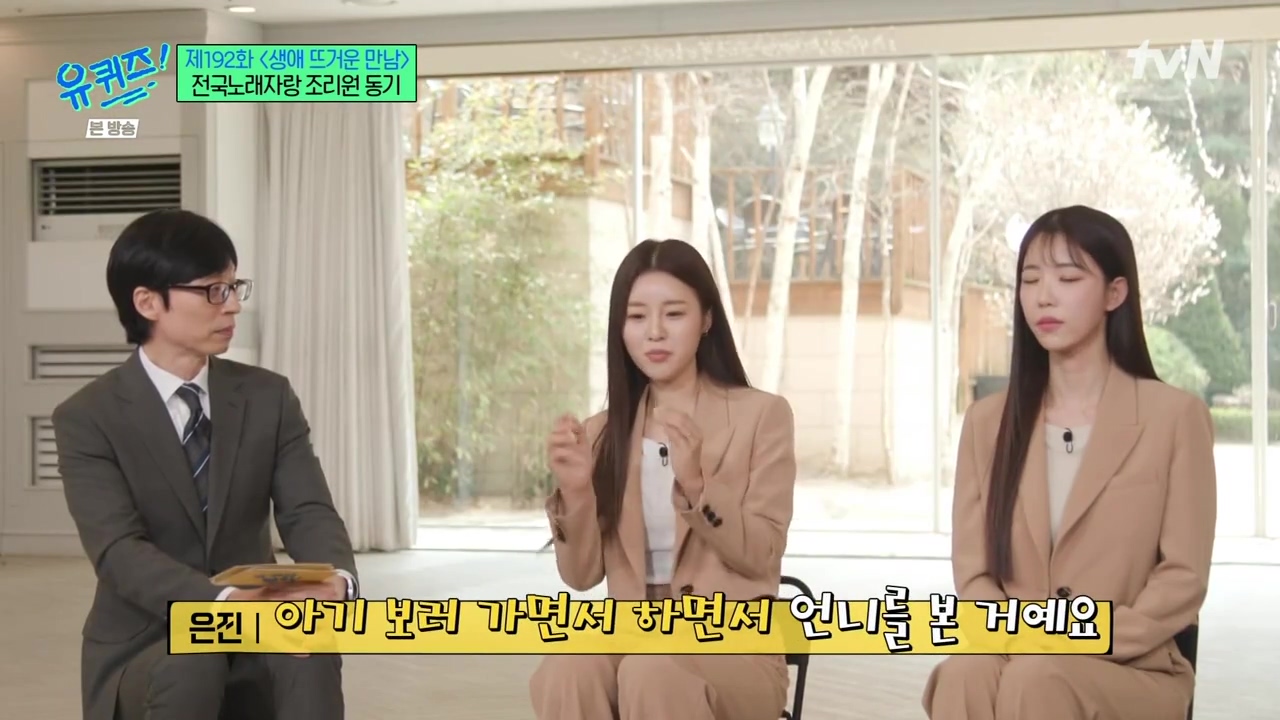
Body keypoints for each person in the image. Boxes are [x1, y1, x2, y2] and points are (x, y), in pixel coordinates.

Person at [52, 208, 358, 720]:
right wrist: (225, 602)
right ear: (148, 302)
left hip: (257, 623)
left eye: (234, 287)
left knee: (309, 644)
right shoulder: (88, 417)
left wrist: (336, 581)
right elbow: (118, 552)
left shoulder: (268, 397)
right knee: (194, 658)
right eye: (213, 290)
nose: (233, 305)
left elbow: (308, 511)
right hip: (147, 641)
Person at [922, 205, 1216, 719]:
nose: (1044, 296)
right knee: (962, 673)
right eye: (1030, 279)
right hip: (1016, 650)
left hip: (1131, 668)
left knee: (1038, 679)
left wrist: (1077, 638)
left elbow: (1182, 577)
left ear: (1114, 293)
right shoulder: (988, 423)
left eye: (1068, 277)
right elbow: (975, 574)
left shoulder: (1175, 417)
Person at [529, 238, 795, 720]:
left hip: (733, 648)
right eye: (636, 317)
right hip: (633, 635)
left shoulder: (762, 416)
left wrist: (697, 487)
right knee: (567, 668)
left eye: (673, 314)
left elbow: (762, 554)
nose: (654, 332)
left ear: (706, 320)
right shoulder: (601, 433)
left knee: (650, 670)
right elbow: (581, 577)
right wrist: (576, 493)